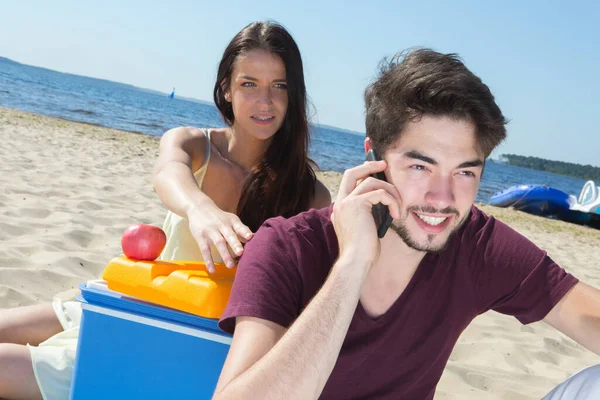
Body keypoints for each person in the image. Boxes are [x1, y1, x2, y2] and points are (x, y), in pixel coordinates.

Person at [214, 48, 600, 399]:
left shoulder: (476, 243)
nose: (443, 199)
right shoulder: (286, 247)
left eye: (464, 173)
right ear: (374, 156)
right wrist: (351, 266)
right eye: (420, 166)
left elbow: (590, 316)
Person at [0, 21, 330, 400]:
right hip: (136, 301)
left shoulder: (310, 196)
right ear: (226, 87)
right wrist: (201, 210)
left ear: (294, 94)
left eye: (280, 86)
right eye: (249, 84)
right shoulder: (193, 144)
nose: (264, 101)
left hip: (170, 343)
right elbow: (167, 174)